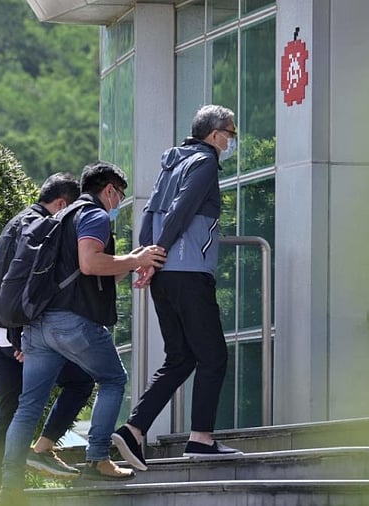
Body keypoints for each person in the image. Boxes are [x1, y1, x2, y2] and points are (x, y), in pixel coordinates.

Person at [0, 162, 166, 506]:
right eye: (119, 194)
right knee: (113, 379)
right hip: (71, 322)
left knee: (28, 405)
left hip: (38, 325)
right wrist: (136, 260)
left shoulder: (59, 218)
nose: (118, 201)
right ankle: (98, 458)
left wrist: (129, 260)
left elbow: (88, 273)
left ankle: (8, 486)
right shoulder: (95, 216)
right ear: (109, 190)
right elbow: (90, 263)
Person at [112, 105, 242, 472]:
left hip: (165, 274)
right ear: (215, 135)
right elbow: (181, 210)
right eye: (230, 134)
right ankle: (201, 439)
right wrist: (159, 252)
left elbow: (151, 212)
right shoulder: (203, 162)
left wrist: (146, 258)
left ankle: (134, 430)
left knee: (182, 357)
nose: (231, 141)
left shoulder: (172, 162)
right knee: (213, 356)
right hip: (188, 272)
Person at [0, 174, 96, 506]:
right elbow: (24, 283)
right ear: (61, 205)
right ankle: (41, 450)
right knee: (81, 380)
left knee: (10, 410)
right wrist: (20, 338)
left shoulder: (18, 221)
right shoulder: (40, 227)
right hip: (17, 332)